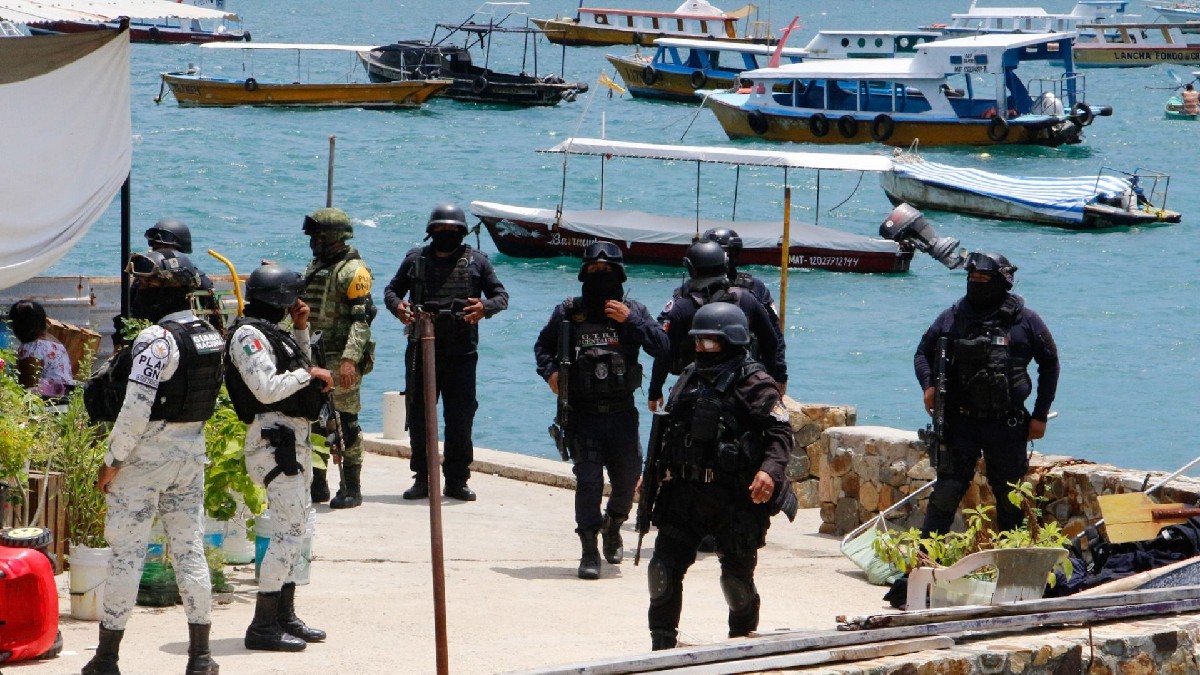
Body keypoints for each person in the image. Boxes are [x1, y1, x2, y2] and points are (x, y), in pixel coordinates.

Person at [84, 250, 222, 675]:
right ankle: (200, 657)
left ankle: (107, 659)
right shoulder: (210, 334)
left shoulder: (155, 340)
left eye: (150, 285)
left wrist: (112, 460)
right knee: (189, 551)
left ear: (173, 290)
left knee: (126, 555)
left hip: (144, 462)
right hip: (189, 457)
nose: (141, 291)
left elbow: (134, 410)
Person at [645, 302, 794, 650]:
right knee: (662, 571)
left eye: (710, 342)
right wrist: (651, 476)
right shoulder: (690, 376)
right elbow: (669, 432)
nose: (701, 348)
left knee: (736, 584)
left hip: (734, 501)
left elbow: (781, 434)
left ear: (732, 340)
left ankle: (741, 647)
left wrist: (769, 473)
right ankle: (662, 646)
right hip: (685, 493)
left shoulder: (755, 383)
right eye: (697, 342)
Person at [533, 242, 669, 579]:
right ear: (583, 275)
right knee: (589, 481)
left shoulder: (632, 310)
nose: (600, 277)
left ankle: (614, 525)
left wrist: (633, 320)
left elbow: (663, 348)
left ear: (619, 275)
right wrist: (550, 373)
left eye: (606, 272)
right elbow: (542, 346)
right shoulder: (569, 312)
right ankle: (589, 547)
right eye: (594, 271)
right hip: (583, 414)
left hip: (622, 413)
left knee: (626, 481)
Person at [225, 263, 333, 652]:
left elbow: (298, 369)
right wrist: (312, 374)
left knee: (297, 530)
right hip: (274, 444)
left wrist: (301, 329)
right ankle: (262, 625)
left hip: (292, 441)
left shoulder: (273, 333)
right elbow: (268, 388)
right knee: (287, 533)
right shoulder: (248, 335)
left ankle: (284, 615)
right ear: (280, 299)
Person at [914, 251, 1059, 537]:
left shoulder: (1025, 321)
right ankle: (924, 566)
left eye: (983, 278)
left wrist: (1040, 415)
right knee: (946, 494)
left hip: (1006, 425)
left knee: (1010, 501)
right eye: (972, 278)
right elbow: (922, 353)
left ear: (1002, 282)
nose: (976, 283)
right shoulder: (953, 317)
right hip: (960, 423)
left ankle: (1011, 568)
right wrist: (928, 385)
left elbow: (1050, 363)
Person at [383, 203, 509, 502]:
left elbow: (501, 296)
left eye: (451, 230)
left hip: (461, 352)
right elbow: (391, 291)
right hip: (420, 350)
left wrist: (484, 308)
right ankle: (423, 478)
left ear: (461, 231)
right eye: (440, 229)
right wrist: (398, 308)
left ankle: (456, 479)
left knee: (460, 418)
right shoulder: (416, 259)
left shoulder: (477, 262)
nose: (445, 233)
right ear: (431, 231)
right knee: (419, 416)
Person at [648, 240, 786, 412]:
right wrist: (768, 379)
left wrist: (654, 391)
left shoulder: (682, 307)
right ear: (725, 264)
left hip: (697, 384)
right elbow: (771, 342)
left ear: (692, 268)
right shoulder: (747, 299)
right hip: (744, 383)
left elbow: (665, 352)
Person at [300, 207, 375, 509]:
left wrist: (349, 359)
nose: (313, 242)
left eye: (317, 236)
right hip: (314, 356)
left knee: (346, 423)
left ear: (332, 238)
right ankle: (318, 485)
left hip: (341, 358)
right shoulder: (317, 265)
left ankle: (351, 488)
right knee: (313, 422)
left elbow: (362, 321)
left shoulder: (353, 271)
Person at [121, 219, 224, 337]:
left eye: (165, 247)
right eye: (157, 248)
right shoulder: (142, 280)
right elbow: (130, 314)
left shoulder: (198, 280)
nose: (160, 251)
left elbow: (218, 315)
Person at [7, 299, 75, 399]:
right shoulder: (55, 342)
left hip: (49, 403)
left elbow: (27, 388)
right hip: (66, 398)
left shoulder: (32, 348)